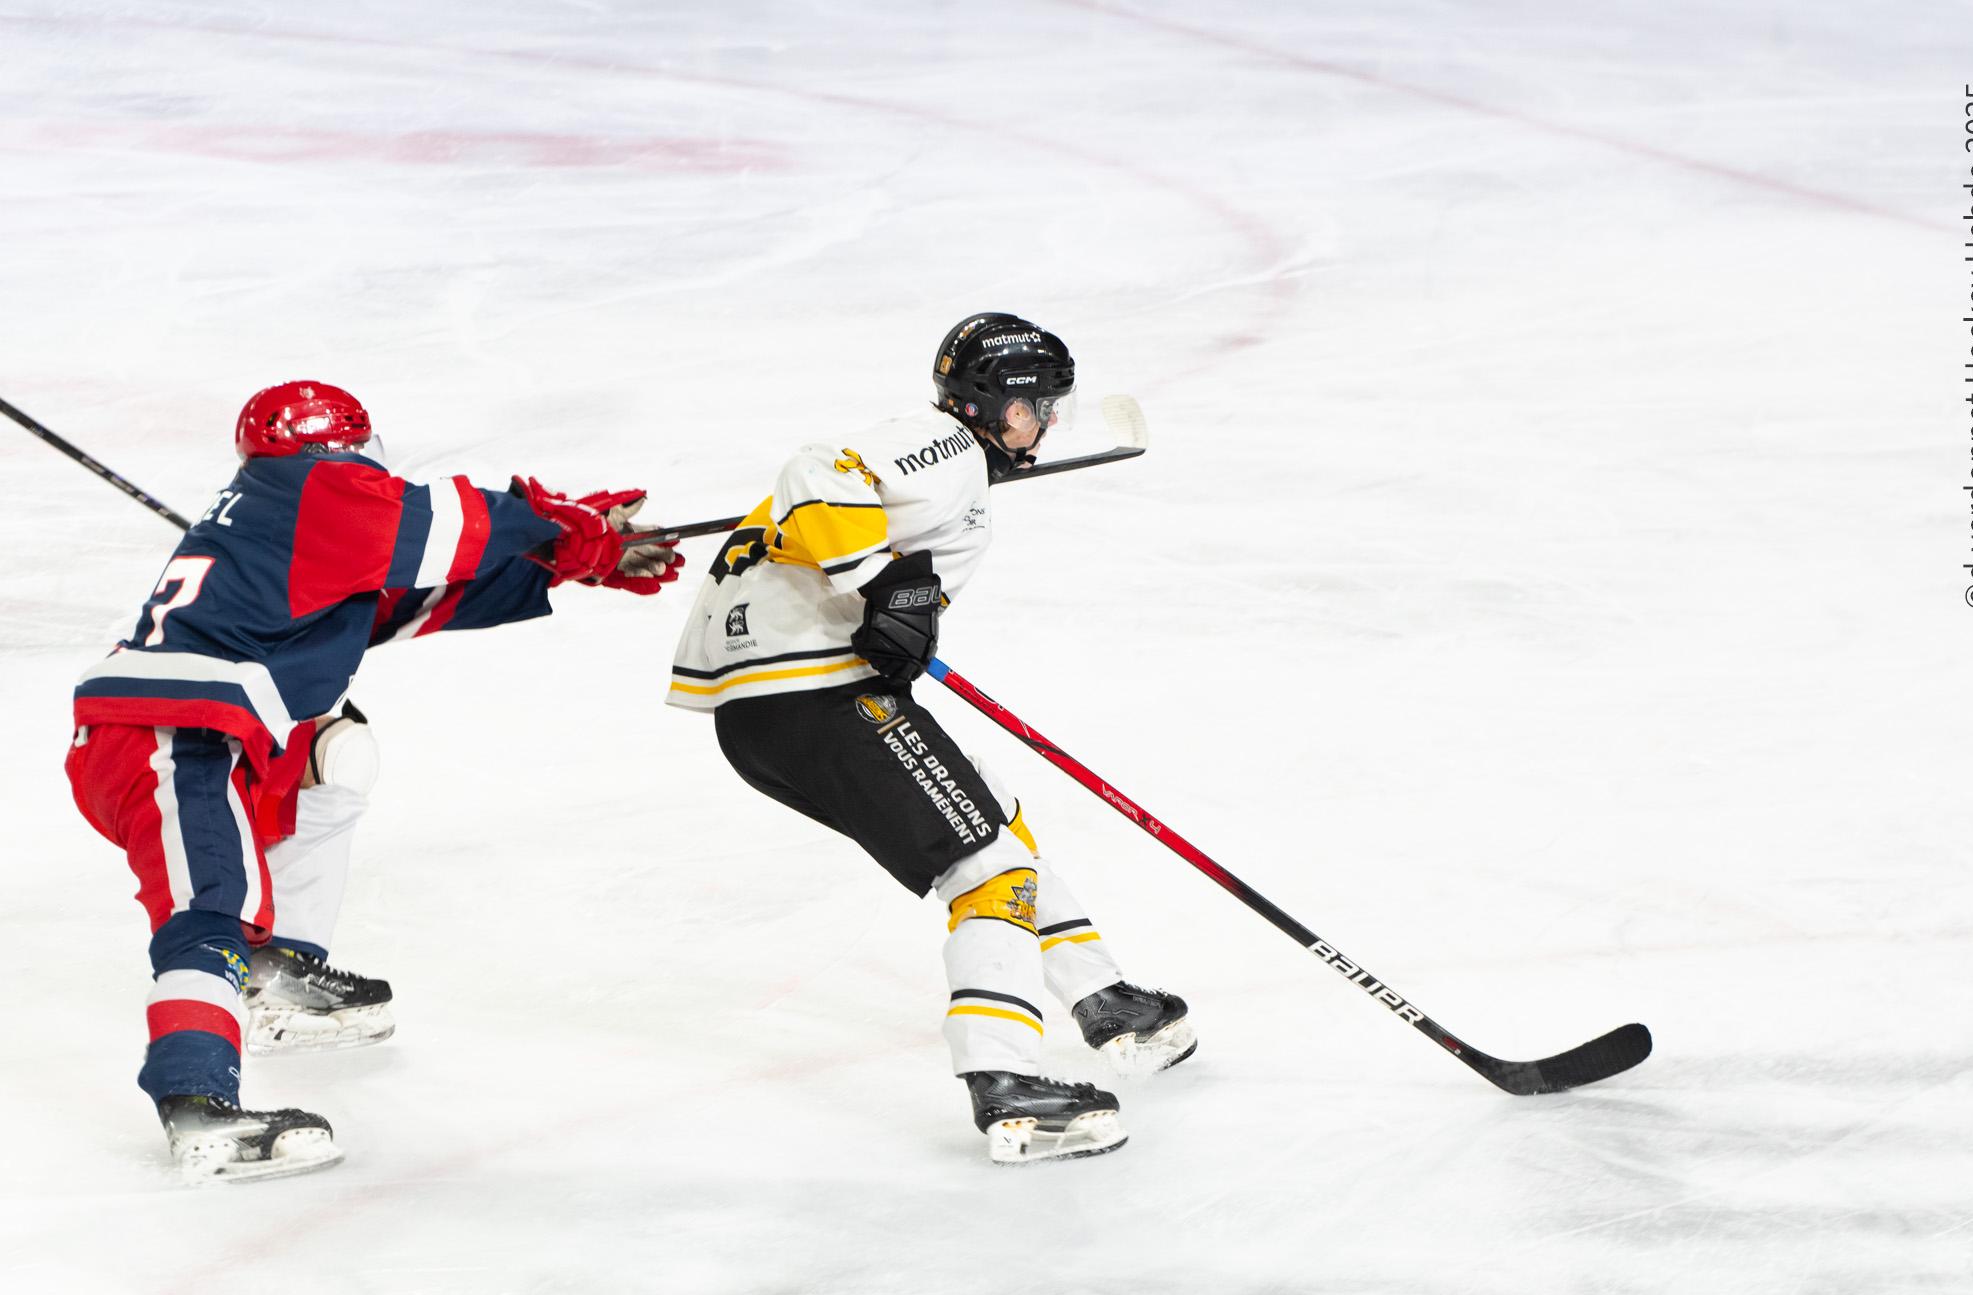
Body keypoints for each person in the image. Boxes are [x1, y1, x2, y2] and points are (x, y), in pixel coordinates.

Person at [68, 380, 681, 1182]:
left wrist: (558, 561)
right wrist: (558, 525)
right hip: (168, 731)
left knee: (340, 751)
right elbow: (443, 526)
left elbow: (399, 600)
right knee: (205, 905)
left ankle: (274, 967)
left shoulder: (296, 519)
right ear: (344, 447)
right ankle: (197, 1108)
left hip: (212, 729)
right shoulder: (311, 488)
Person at [667, 315, 1194, 1163]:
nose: (1043, 426)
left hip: (784, 705)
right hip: (813, 699)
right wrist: (886, 586)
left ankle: (1101, 996)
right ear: (988, 402)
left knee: (996, 819)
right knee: (992, 871)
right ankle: (1007, 1084)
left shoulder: (951, 466)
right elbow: (819, 468)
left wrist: (890, 606)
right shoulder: (941, 446)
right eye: (1033, 408)